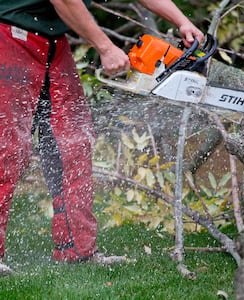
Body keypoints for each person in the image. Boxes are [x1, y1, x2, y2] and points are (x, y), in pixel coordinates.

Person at [0, 0, 204, 275]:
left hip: (51, 42)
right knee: (7, 148)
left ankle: (78, 249)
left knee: (74, 142)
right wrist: (106, 48)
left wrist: (181, 21)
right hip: (8, 36)